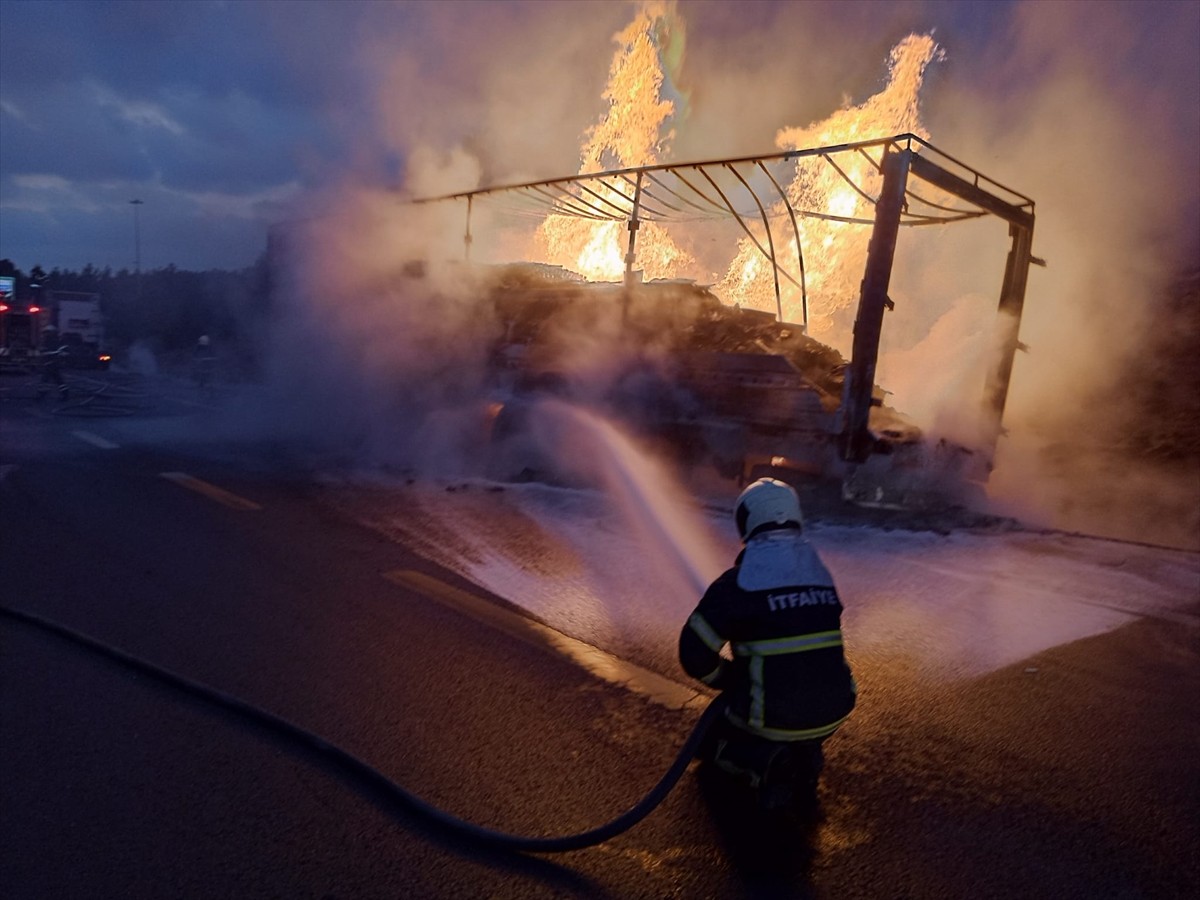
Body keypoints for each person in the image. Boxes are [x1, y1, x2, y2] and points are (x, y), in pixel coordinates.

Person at [679, 477, 856, 811]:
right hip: (835, 710)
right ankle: (803, 750)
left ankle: (767, 766)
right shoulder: (820, 575)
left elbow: (693, 654)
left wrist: (728, 680)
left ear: (746, 521)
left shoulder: (737, 584)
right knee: (795, 718)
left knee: (710, 748)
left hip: (772, 716)